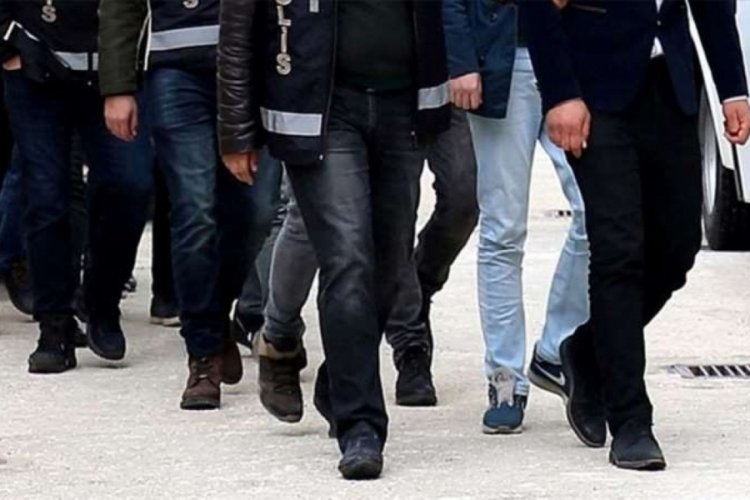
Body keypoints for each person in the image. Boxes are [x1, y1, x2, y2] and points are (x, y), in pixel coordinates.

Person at [218, 0, 451, 480]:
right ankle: (361, 426)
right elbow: (239, 24)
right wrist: (236, 128)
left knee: (391, 267)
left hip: (404, 103)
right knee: (347, 257)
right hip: (320, 109)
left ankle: (341, 381)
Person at [521, 0, 750, 470]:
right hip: (595, 89)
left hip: (669, 84)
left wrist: (732, 88)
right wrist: (560, 93)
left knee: (679, 245)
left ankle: (585, 351)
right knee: (618, 250)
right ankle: (630, 420)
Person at [99, 0, 281, 410]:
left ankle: (214, 316)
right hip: (174, 68)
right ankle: (202, 353)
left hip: (256, 68)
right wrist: (118, 86)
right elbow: (121, 6)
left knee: (258, 210)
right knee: (194, 210)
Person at [444, 0, 590, 435]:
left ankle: (555, 349)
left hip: (575, 57)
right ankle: (504, 377)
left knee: (596, 215)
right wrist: (460, 59)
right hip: (504, 54)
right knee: (503, 228)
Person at [0, 0, 152, 373]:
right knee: (45, 196)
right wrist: (7, 43)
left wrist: (123, 81)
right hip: (32, 62)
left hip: (110, 66)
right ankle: (54, 324)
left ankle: (101, 299)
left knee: (130, 185)